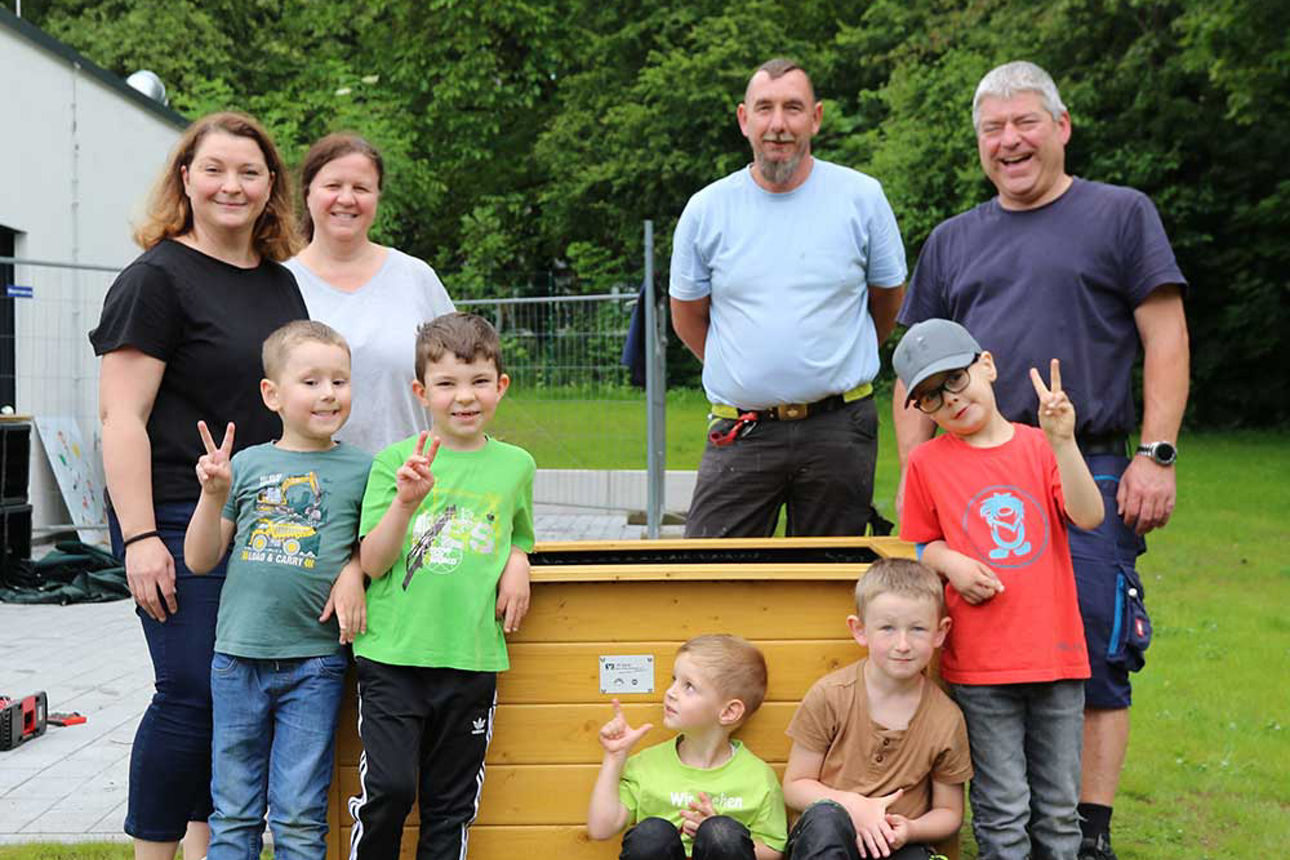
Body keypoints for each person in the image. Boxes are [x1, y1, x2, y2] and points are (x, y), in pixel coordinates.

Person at [894, 60, 1190, 860]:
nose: (1009, 140)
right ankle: (1005, 825)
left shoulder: (1120, 215)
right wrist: (915, 470)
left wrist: (1156, 454)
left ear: (1061, 126)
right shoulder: (953, 240)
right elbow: (912, 375)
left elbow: (1166, 334)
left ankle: (1084, 830)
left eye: (1025, 122)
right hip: (966, 469)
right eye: (992, 128)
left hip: (1082, 461)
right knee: (980, 641)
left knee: (1092, 644)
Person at [90, 111, 308, 860]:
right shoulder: (154, 280)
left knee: (231, 693)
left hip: (261, 514)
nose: (231, 186)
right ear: (185, 178)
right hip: (176, 512)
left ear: (271, 185)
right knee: (189, 690)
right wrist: (141, 538)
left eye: (249, 172)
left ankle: (209, 846)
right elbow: (121, 418)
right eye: (214, 169)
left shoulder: (280, 283)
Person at [893, 319, 1106, 859]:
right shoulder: (926, 463)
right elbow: (920, 543)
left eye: (955, 379)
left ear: (986, 365)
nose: (950, 400)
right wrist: (951, 563)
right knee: (1003, 807)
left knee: (1059, 811)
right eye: (931, 397)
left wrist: (1064, 442)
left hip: (1057, 660)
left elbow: (1088, 514)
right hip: (981, 667)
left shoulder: (1040, 447)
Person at [670, 58, 907, 538]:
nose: (778, 123)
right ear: (744, 119)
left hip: (840, 428)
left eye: (793, 108)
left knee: (829, 574)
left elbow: (887, 301)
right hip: (743, 429)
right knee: (708, 573)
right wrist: (748, 372)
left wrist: (828, 365)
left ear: (815, 118)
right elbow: (688, 318)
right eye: (765, 108)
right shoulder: (707, 209)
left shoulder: (861, 198)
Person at [348, 311, 535, 859]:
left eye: (479, 381)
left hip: (470, 659)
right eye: (447, 383)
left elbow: (518, 533)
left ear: (501, 385)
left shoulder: (517, 466)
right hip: (393, 657)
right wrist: (406, 504)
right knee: (389, 789)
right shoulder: (394, 462)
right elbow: (373, 562)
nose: (465, 397)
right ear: (421, 392)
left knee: (450, 805)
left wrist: (518, 561)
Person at [182, 320, 370, 858]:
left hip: (315, 664)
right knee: (234, 815)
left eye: (339, 380)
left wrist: (353, 568)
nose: (328, 393)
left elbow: (377, 545)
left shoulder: (364, 469)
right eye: (311, 382)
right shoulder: (245, 465)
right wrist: (212, 496)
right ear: (273, 394)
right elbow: (199, 559)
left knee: (299, 818)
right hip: (237, 661)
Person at [782, 558, 971, 860]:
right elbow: (795, 786)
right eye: (887, 628)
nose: (903, 644)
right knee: (826, 820)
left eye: (918, 629)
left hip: (895, 844)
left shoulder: (946, 718)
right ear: (860, 630)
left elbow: (949, 812)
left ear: (940, 632)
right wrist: (851, 806)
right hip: (829, 837)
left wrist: (911, 829)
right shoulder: (831, 695)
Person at [285, 132, 455, 455]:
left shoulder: (416, 277)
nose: (346, 198)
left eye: (361, 188)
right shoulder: (280, 282)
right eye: (333, 186)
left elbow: (459, 377)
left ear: (377, 197)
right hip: (308, 483)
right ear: (307, 194)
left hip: (412, 478)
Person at [588, 634, 788, 860]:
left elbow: (773, 849)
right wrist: (614, 757)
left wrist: (714, 835)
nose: (670, 692)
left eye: (688, 686)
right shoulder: (646, 766)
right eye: (674, 680)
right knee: (652, 835)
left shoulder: (758, 778)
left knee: (721, 831)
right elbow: (601, 829)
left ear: (729, 712)